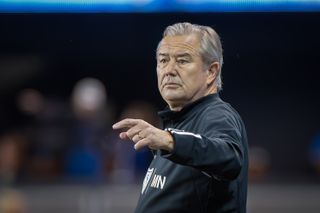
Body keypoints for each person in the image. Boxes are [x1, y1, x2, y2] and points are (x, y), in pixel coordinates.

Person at [113, 22, 248, 213]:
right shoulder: (177, 126)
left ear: (211, 71)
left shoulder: (216, 114)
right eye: (163, 60)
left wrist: (169, 140)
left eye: (182, 60)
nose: (169, 70)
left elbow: (229, 156)